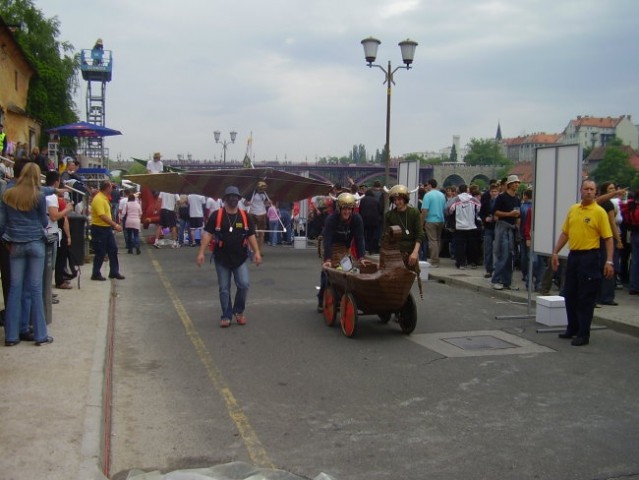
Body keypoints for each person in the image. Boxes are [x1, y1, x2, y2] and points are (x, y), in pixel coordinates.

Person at [551, 179, 613, 346]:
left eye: (592, 189)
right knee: (569, 294)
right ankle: (572, 327)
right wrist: (555, 252)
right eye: (586, 188)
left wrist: (609, 261)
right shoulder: (573, 209)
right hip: (574, 256)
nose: (589, 192)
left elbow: (608, 238)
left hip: (590, 257)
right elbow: (565, 233)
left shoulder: (599, 212)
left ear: (596, 192)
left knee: (586, 297)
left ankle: (583, 333)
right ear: (581, 190)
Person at [0, 163, 53, 346]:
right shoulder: (37, 196)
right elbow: (44, 221)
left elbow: (2, 222)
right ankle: (40, 335)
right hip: (35, 243)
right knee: (35, 288)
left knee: (15, 289)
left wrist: (6, 240)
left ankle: (11, 336)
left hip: (15, 244)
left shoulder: (8, 195)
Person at [196, 186, 262, 328]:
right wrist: (201, 252)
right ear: (224, 199)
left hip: (240, 258)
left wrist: (256, 252)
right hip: (222, 259)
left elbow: (251, 235)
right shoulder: (216, 216)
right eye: (230, 196)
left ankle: (238, 311)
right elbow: (207, 234)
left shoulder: (245, 216)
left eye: (235, 197)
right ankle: (226, 315)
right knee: (224, 288)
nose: (232, 199)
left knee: (244, 284)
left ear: (239, 199)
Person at [317, 192, 370, 312]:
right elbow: (328, 240)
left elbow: (359, 238)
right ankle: (321, 299)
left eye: (349, 209)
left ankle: (349, 298)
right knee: (328, 272)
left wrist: (361, 257)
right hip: (332, 245)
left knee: (349, 271)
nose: (347, 212)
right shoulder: (331, 219)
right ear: (339, 208)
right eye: (344, 209)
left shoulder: (357, 219)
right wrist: (328, 260)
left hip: (345, 248)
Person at [90, 181, 125, 281]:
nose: (112, 189)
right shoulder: (99, 199)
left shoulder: (104, 198)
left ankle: (114, 271)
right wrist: (114, 224)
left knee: (113, 250)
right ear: (107, 188)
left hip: (106, 228)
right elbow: (102, 215)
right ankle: (96, 273)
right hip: (99, 228)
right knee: (100, 251)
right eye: (111, 187)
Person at [491, 175, 521, 290]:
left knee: (511, 256)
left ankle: (507, 281)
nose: (516, 185)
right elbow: (495, 212)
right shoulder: (502, 197)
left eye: (517, 183)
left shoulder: (517, 199)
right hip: (503, 228)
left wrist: (518, 224)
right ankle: (496, 279)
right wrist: (509, 214)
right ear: (509, 184)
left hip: (512, 228)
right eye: (514, 183)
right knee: (503, 254)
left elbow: (518, 215)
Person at [385, 184, 425, 269]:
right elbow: (386, 237)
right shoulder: (389, 215)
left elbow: (419, 234)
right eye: (395, 200)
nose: (396, 202)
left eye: (399, 199)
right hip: (395, 252)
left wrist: (415, 252)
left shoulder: (414, 212)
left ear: (405, 199)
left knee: (409, 277)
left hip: (411, 251)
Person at [447, 184, 481, 270]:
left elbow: (449, 209)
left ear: (459, 190)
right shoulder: (473, 199)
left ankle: (461, 263)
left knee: (460, 246)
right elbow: (479, 208)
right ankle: (473, 263)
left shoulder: (455, 199)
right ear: (467, 190)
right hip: (471, 225)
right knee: (472, 245)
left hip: (459, 226)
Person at [421, 178, 447, 268]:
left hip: (430, 221)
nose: (426, 186)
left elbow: (424, 210)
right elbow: (445, 209)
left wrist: (421, 223)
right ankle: (436, 257)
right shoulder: (442, 195)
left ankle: (434, 261)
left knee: (432, 241)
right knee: (438, 240)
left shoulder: (427, 195)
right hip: (441, 220)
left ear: (430, 185)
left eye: (427, 184)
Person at [358, 189, 382, 254]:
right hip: (373, 221)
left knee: (363, 235)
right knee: (371, 235)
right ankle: (371, 250)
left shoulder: (362, 200)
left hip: (364, 220)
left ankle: (364, 249)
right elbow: (379, 210)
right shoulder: (376, 200)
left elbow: (360, 210)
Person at [246, 181, 268, 249]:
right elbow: (245, 202)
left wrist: (268, 203)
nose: (262, 190)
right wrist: (248, 203)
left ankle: (259, 249)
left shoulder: (265, 194)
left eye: (264, 188)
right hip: (252, 213)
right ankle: (250, 248)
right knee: (251, 232)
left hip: (262, 214)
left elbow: (267, 203)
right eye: (261, 188)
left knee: (261, 233)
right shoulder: (252, 193)